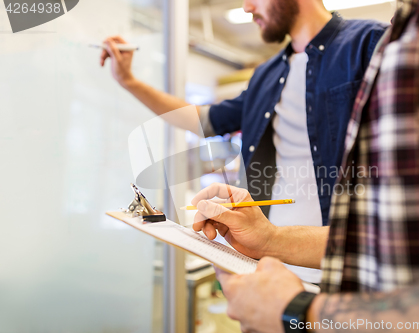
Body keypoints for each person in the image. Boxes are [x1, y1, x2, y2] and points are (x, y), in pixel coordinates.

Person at [190, 0, 419, 331]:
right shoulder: (402, 35)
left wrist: (301, 311)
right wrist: (269, 239)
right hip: (316, 288)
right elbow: (390, 238)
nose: (247, 5)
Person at [100, 0, 387, 282]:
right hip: (270, 267)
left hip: (348, 270)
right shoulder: (266, 75)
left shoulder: (372, 44)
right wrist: (128, 81)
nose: (247, 7)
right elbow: (201, 120)